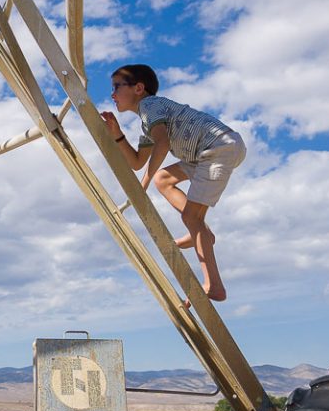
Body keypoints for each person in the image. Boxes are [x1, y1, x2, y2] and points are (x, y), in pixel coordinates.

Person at [100, 63, 245, 301]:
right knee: (163, 178)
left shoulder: (150, 105)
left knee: (190, 216)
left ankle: (214, 286)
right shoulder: (147, 124)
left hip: (217, 147)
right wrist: (117, 133)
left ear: (138, 88)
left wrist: (141, 187)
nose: (112, 93)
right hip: (208, 152)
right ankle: (201, 232)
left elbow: (163, 144)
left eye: (117, 86)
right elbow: (137, 162)